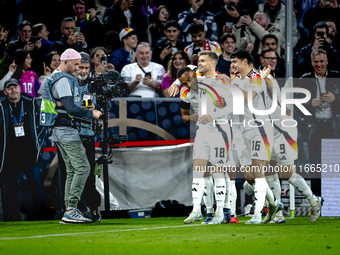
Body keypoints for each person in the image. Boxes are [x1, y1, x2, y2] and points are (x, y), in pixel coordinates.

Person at [40, 48, 102, 223]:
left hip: (61, 129)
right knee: (83, 168)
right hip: (65, 129)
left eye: (81, 66)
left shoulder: (58, 77)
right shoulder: (62, 79)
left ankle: (70, 209)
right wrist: (93, 114)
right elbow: (71, 108)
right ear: (65, 62)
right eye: (75, 64)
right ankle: (71, 209)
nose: (77, 68)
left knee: (73, 170)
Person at [262, 67, 324, 224]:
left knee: (286, 173)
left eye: (235, 63)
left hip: (282, 131)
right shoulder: (245, 81)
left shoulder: (263, 78)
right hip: (268, 132)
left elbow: (272, 94)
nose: (232, 67)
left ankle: (313, 200)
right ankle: (278, 214)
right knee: (270, 171)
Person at [178, 51, 233, 225]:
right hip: (202, 130)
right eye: (198, 60)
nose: (199, 63)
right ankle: (196, 210)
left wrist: (213, 116)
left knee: (218, 173)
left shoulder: (222, 81)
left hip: (220, 130)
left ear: (212, 63)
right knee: (198, 171)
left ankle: (219, 212)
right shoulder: (197, 82)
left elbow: (233, 106)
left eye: (202, 61)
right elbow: (186, 75)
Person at [230, 48, 282, 224]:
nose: (233, 65)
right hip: (244, 131)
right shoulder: (237, 79)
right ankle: (274, 204)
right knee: (250, 177)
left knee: (259, 172)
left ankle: (258, 214)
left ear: (245, 62)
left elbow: (248, 98)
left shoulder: (256, 78)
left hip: (259, 128)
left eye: (235, 61)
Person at [0, 78, 47, 221]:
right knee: (10, 187)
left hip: (29, 154)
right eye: (9, 88)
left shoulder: (31, 103)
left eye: (15, 87)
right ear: (5, 92)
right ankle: (13, 218)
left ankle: (42, 217)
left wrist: (39, 146)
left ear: (20, 89)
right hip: (8, 154)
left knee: (37, 184)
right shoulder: (1, 106)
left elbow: (43, 125)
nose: (13, 90)